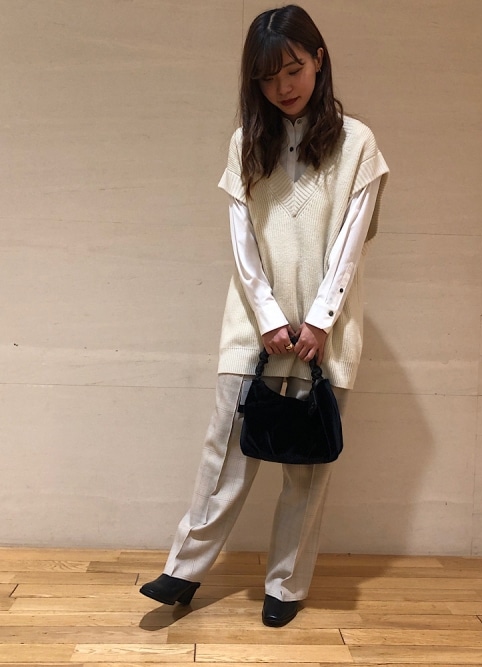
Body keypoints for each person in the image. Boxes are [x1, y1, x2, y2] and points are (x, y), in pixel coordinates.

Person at [140, 4, 389, 627]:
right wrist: (270, 316)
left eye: (294, 68)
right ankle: (184, 571)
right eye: (269, 77)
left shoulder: (358, 144)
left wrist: (320, 320)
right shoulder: (246, 143)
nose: (284, 86)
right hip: (254, 327)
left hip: (328, 336)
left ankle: (286, 585)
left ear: (319, 60)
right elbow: (241, 239)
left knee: (308, 469)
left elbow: (351, 243)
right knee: (224, 451)